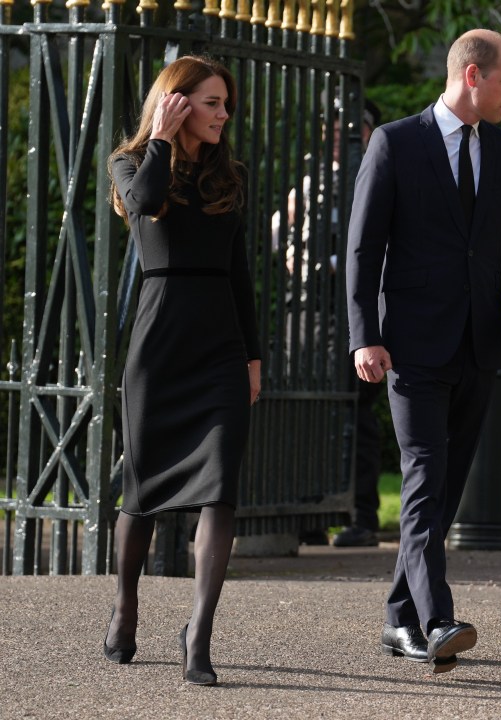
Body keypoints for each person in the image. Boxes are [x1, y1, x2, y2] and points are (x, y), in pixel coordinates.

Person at [346, 28, 501, 673]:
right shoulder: (395, 143)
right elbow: (363, 247)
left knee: (445, 488)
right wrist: (364, 335)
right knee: (426, 477)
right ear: (472, 77)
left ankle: (398, 619)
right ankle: (437, 619)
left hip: (479, 343)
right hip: (409, 344)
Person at [103, 56, 261, 686]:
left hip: (220, 343)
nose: (225, 114)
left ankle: (199, 634)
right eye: (213, 103)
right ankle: (126, 604)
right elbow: (142, 208)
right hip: (160, 341)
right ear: (177, 103)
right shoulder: (133, 162)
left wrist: (252, 356)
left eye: (227, 104)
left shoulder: (232, 176)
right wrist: (162, 142)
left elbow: (242, 272)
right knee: (140, 493)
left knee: (220, 488)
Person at [271, 99, 386, 548]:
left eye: (353, 128)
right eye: (334, 127)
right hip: (305, 307)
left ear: (371, 132)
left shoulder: (377, 173)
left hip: (354, 311)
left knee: (354, 412)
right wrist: (299, 260)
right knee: (308, 411)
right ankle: (310, 511)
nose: (341, 135)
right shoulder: (313, 179)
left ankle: (362, 516)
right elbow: (284, 230)